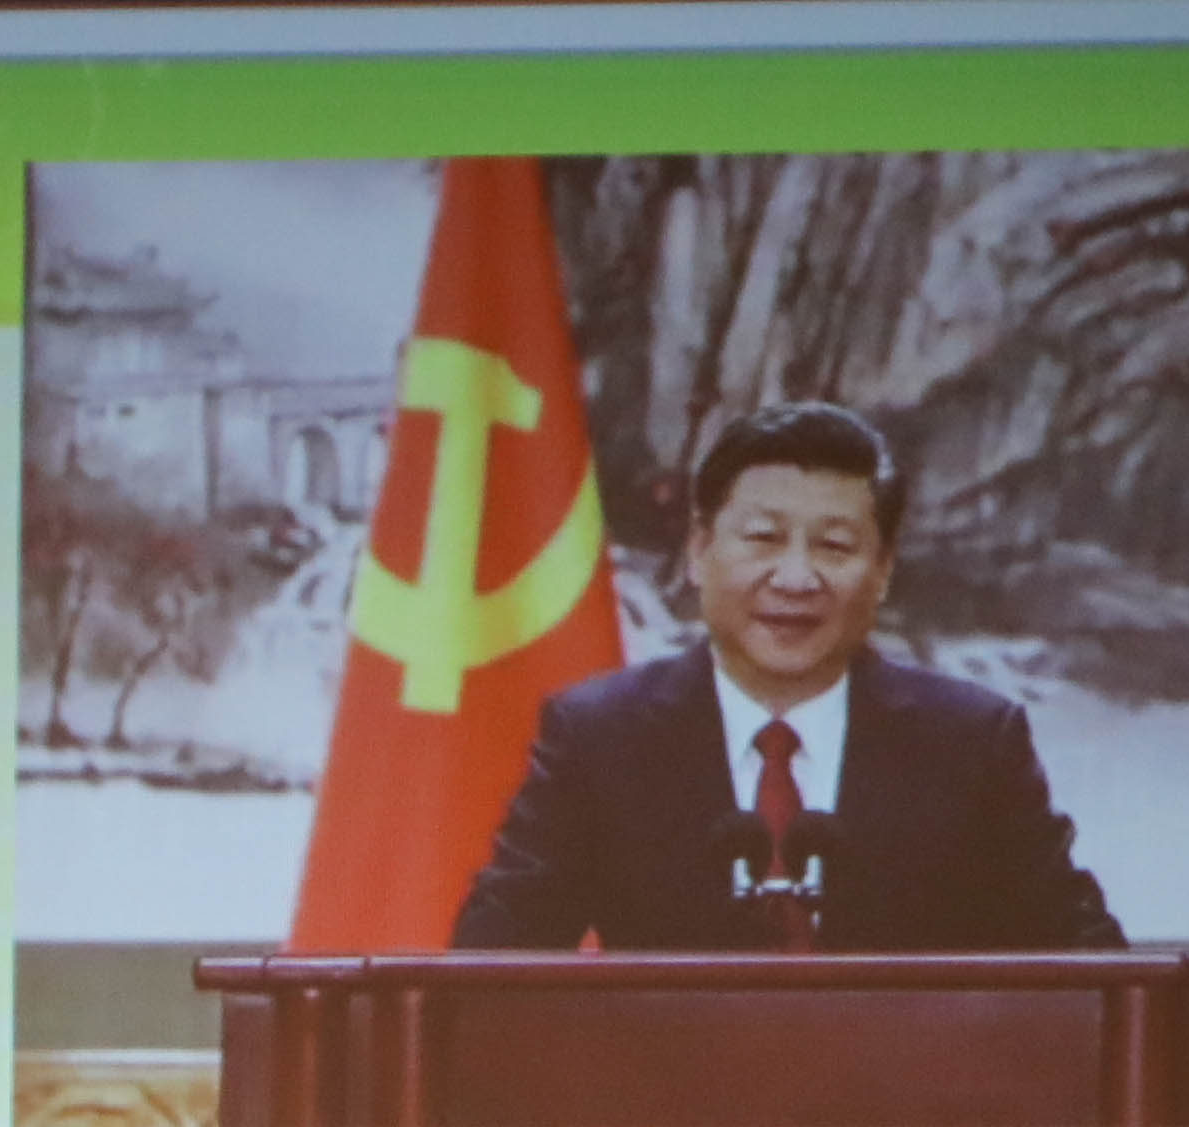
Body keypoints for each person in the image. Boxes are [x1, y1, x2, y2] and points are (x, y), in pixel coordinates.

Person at [450, 398, 1124, 952]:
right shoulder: (599, 739)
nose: (796, 578)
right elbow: (488, 975)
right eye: (763, 538)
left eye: (834, 546)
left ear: (883, 572)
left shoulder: (972, 744)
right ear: (699, 551)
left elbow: (1094, 976)